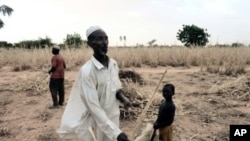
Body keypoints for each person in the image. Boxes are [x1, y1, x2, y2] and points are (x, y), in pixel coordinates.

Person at [57, 25, 132, 141]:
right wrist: (116, 133)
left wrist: (124, 99)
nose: (104, 42)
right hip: (96, 122)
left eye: (106, 38)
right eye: (99, 39)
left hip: (113, 117)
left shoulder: (113, 64)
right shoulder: (87, 71)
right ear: (90, 43)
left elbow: (116, 88)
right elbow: (93, 107)